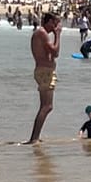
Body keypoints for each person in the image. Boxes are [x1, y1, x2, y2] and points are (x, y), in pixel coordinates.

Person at [27, 9, 63, 143]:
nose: (57, 27)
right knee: (47, 106)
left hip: (44, 71)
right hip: (44, 72)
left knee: (46, 106)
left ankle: (35, 137)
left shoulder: (41, 33)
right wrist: (58, 35)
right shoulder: (41, 33)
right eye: (56, 23)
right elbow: (55, 52)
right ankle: (34, 138)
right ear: (50, 22)